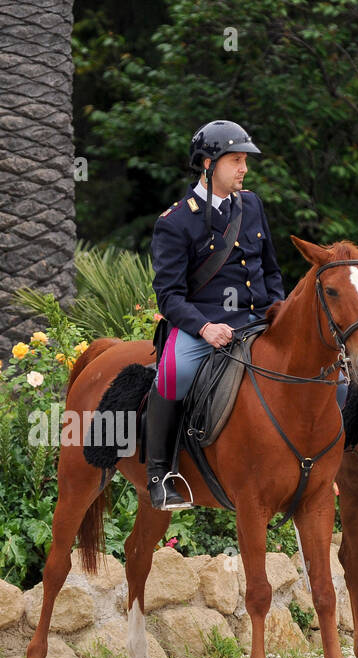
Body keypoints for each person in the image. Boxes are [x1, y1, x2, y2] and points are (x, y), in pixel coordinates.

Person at [147, 120, 286, 509]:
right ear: (208, 165)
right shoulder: (175, 221)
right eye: (236, 161)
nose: (244, 169)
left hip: (258, 321)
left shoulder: (252, 205)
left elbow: (270, 269)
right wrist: (204, 328)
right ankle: (161, 475)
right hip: (203, 325)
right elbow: (169, 296)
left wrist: (280, 310)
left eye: (245, 161)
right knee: (174, 373)